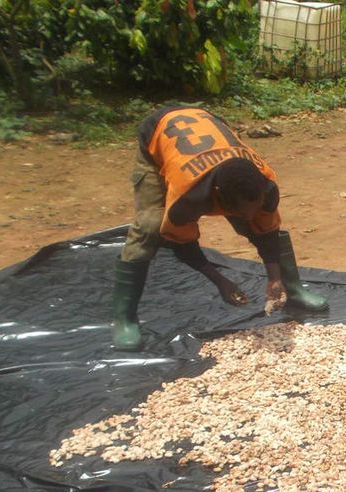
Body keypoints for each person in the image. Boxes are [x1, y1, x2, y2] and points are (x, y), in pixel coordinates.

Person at [112, 105, 328, 350]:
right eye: (239, 212)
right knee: (150, 227)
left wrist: (274, 278)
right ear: (218, 197)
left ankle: (294, 289)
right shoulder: (189, 199)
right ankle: (125, 318)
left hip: (207, 123)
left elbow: (267, 231)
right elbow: (183, 244)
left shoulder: (265, 188)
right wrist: (220, 281)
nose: (248, 216)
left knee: (255, 222)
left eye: (254, 208)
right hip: (157, 135)